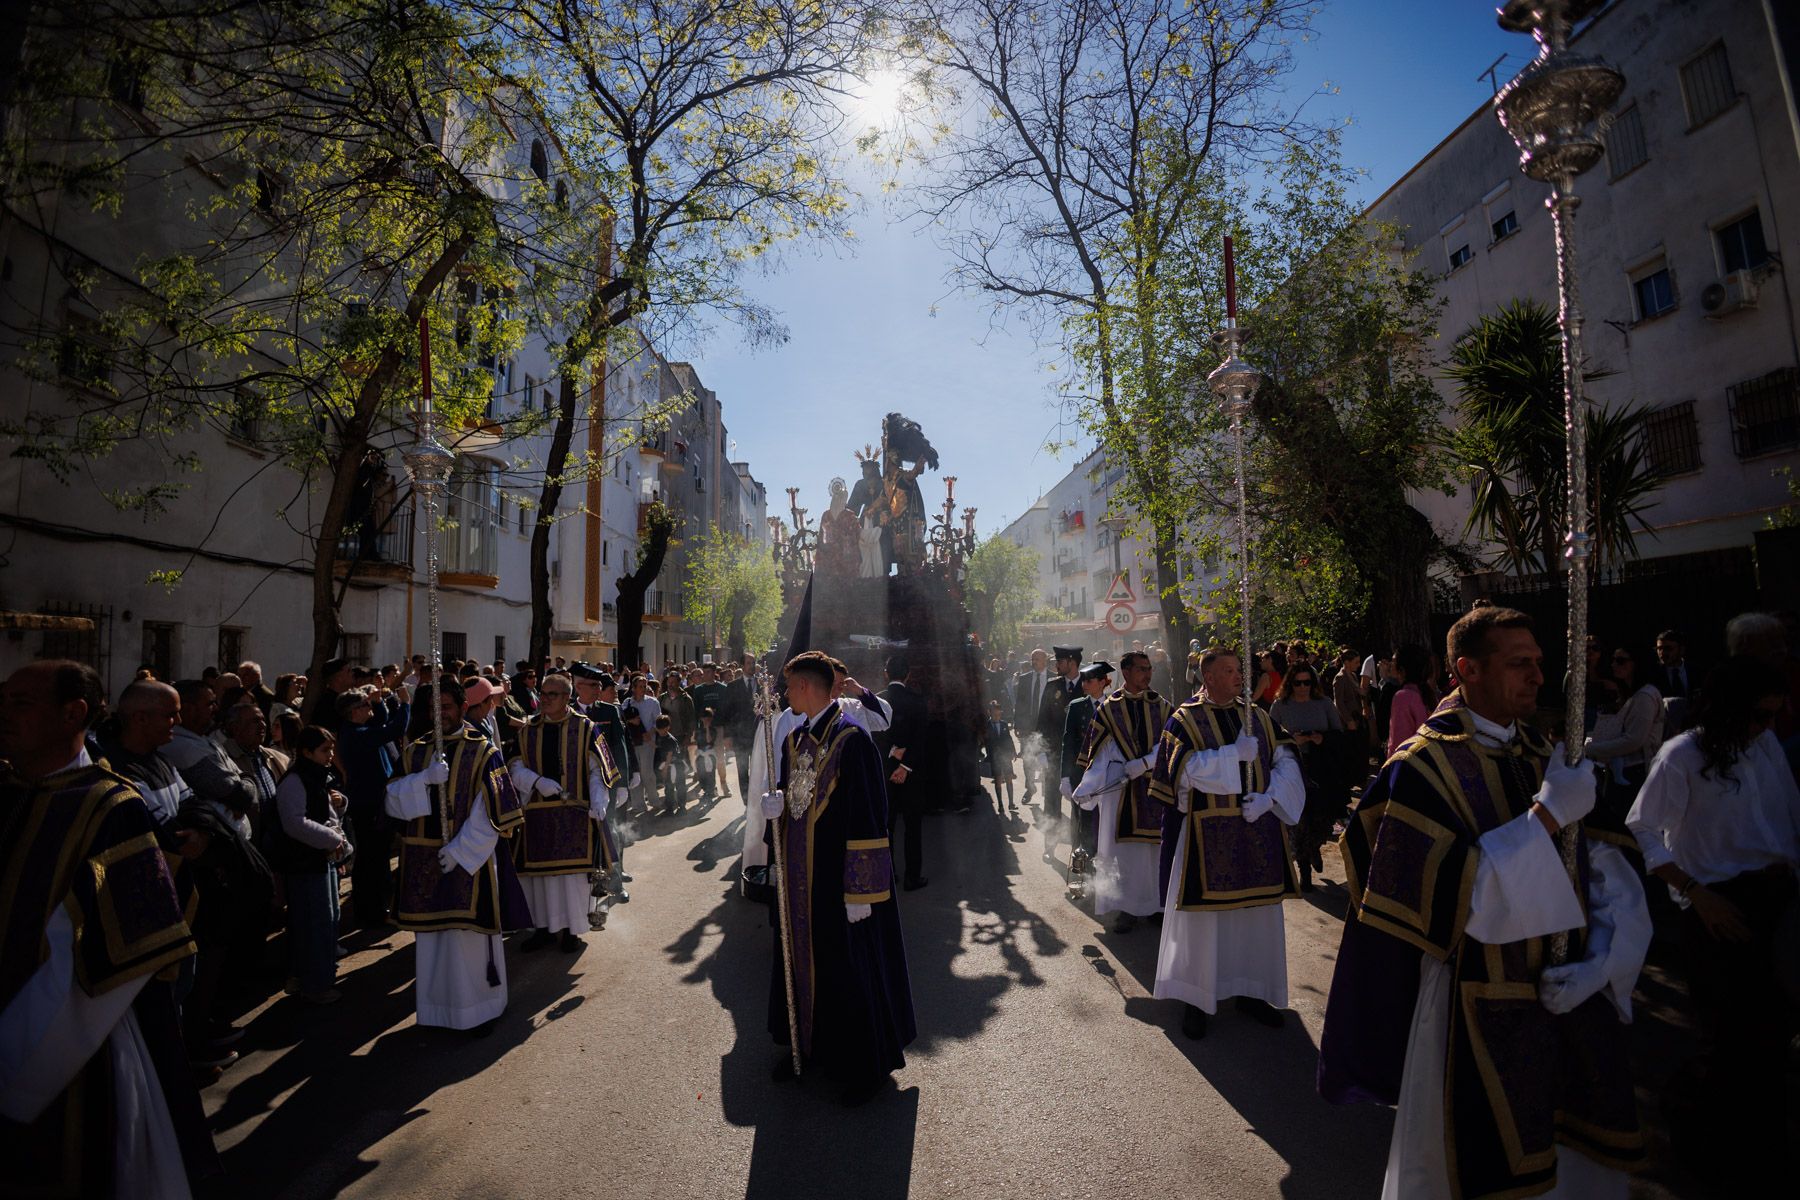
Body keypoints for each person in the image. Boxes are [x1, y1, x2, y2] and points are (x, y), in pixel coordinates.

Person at [1319, 604, 1651, 1200]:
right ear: (1466, 670)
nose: (1536, 676)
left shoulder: (1546, 753)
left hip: (1573, 989)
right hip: (1469, 1001)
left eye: (1539, 663)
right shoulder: (1420, 768)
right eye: (1518, 663)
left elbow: (1608, 871)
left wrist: (1602, 962)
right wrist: (1546, 816)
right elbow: (1451, 900)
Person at [0, 661, 213, 1197]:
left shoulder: (110, 808)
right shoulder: (6, 792)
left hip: (65, 1051)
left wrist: (16, 1070)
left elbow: (107, 965)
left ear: (73, 713)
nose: (4, 713)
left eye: (21, 703)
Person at [1625, 656, 1799, 1185]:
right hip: (1718, 905)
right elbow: (1643, 827)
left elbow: (1786, 816)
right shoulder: (1683, 756)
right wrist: (1696, 893)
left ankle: (1767, 1147)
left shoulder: (1764, 745)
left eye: (1774, 715)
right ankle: (1714, 1156)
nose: (1767, 726)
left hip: (1776, 900)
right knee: (1730, 1038)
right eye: (1758, 715)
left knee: (1774, 1032)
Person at [760, 651, 916, 1104]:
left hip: (837, 884)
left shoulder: (853, 742)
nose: (786, 694)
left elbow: (870, 817)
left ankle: (862, 1069)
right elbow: (795, 806)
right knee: (806, 966)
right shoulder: (795, 740)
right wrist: (778, 811)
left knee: (847, 971)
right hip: (800, 883)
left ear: (807, 688)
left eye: (789, 687)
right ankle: (809, 1046)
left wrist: (862, 890)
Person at [1148, 648, 1304, 1039]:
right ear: (1209, 678)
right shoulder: (1184, 719)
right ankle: (1195, 998)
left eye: (1240, 670)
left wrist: (1271, 798)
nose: (1239, 677)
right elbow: (1184, 775)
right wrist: (1232, 756)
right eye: (1229, 671)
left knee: (1254, 920)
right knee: (1204, 926)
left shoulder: (1257, 717)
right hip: (1205, 836)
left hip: (1256, 833)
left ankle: (1251, 991)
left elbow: (1286, 761)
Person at [383, 680, 525, 1033]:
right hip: (424, 861)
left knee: (467, 943)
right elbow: (390, 801)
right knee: (432, 943)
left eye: (445, 706)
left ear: (462, 708)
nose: (439, 714)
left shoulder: (485, 752)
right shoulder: (416, 752)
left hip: (469, 860)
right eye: (434, 708)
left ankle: (479, 1011)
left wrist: (460, 851)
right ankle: (435, 1012)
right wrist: (424, 781)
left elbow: (493, 812)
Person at [744, 662, 893, 879]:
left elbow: (884, 719)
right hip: (801, 829)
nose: (838, 689)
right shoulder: (792, 721)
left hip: (836, 832)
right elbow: (778, 765)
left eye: (841, 685)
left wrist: (861, 885)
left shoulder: (854, 724)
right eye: (835, 683)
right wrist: (774, 800)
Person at [508, 673, 620, 953]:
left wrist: (598, 801)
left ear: (567, 697)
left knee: (570, 880)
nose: (545, 699)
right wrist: (536, 782)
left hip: (575, 816)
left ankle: (572, 929)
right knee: (540, 879)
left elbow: (599, 770)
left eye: (552, 695)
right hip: (537, 817)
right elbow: (513, 766)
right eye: (543, 694)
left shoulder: (587, 728)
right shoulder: (527, 729)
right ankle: (543, 929)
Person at [1072, 652, 1169, 932]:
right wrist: (1086, 788)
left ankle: (1156, 905)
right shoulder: (1109, 709)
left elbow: (1171, 744)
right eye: (1141, 669)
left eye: (1149, 669)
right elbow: (1098, 756)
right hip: (1120, 789)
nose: (1148, 674)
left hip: (1153, 786)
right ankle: (1127, 908)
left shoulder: (1162, 706)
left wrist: (1147, 762)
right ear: (1125, 672)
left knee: (1155, 851)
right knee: (1123, 853)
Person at [271, 726, 350, 1004]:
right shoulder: (295, 781)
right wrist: (332, 839)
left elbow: (326, 813)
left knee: (327, 920)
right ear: (306, 752)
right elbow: (296, 823)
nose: (330, 756)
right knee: (313, 924)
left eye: (331, 750)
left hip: (322, 860)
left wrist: (340, 805)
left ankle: (317, 975)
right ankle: (314, 983)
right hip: (305, 865)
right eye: (324, 750)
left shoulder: (316, 777)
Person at [335, 685, 411, 930]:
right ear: (353, 712)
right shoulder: (357, 735)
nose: (370, 708)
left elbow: (380, 722)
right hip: (368, 804)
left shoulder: (359, 729)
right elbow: (394, 729)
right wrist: (405, 703)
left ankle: (373, 908)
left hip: (372, 801)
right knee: (372, 859)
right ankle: (371, 912)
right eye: (365, 705)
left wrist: (378, 704)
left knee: (376, 856)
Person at [1270, 663, 1347, 892]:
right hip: (1294, 769)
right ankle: (1304, 871)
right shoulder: (1280, 706)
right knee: (1299, 821)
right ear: (1290, 684)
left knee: (1321, 818)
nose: (1303, 687)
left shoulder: (1324, 704)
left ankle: (1314, 848)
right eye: (1298, 683)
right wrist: (1292, 740)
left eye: (1307, 682)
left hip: (1322, 770)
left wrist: (1321, 739)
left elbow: (1340, 735)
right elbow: (1270, 738)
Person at [1585, 643, 1664, 847]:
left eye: (1621, 661)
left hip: (1635, 772)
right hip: (1621, 768)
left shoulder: (1645, 696)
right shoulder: (1630, 694)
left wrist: (1592, 749)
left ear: (1636, 664)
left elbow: (1634, 740)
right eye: (1613, 660)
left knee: (1631, 831)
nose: (1614, 665)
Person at [875, 656, 929, 892]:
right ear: (908, 675)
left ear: (885, 673)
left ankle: (888, 874)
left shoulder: (876, 700)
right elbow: (921, 739)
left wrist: (892, 752)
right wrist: (906, 767)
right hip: (912, 774)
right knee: (912, 825)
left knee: (886, 825)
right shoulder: (918, 700)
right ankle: (912, 877)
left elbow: (874, 736)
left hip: (884, 771)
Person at [1058, 659, 1112, 864]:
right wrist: (1064, 776)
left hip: (1107, 771)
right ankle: (1082, 860)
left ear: (1102, 682)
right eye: (1084, 680)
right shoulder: (1076, 706)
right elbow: (1068, 742)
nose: (1084, 684)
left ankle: (1104, 859)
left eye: (1089, 681)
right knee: (1081, 817)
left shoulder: (1113, 705)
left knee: (1105, 818)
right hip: (1081, 772)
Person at [1035, 646, 1083, 820]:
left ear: (1072, 662)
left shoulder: (1089, 683)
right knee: (1052, 800)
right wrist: (1040, 750)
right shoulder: (1052, 685)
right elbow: (1042, 720)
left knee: (1080, 801)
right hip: (1054, 752)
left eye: (1060, 662)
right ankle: (1051, 838)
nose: (1056, 666)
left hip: (1080, 754)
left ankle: (1078, 842)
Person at [1012, 648, 1052, 804]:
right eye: (1032, 659)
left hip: (1047, 727)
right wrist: (1017, 723)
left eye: (1037, 659)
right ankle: (1030, 787)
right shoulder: (1025, 679)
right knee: (1028, 758)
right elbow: (1020, 703)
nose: (1033, 662)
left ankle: (1048, 792)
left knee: (1046, 759)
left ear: (1045, 660)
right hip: (1028, 726)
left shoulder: (1054, 679)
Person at [1385, 644, 1435, 759]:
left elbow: (1398, 742)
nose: (1390, 665)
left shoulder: (1403, 697)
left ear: (1402, 669)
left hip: (1410, 765)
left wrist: (1390, 770)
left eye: (1393, 661)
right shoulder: (1427, 693)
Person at [982, 699, 1017, 811]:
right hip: (995, 758)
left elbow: (1009, 739)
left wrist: (1013, 751)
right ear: (990, 713)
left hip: (1006, 756)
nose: (997, 716)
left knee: (1009, 778)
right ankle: (1000, 804)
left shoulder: (1004, 724)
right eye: (995, 714)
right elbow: (985, 742)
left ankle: (1011, 803)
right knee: (998, 780)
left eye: (999, 714)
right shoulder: (987, 726)